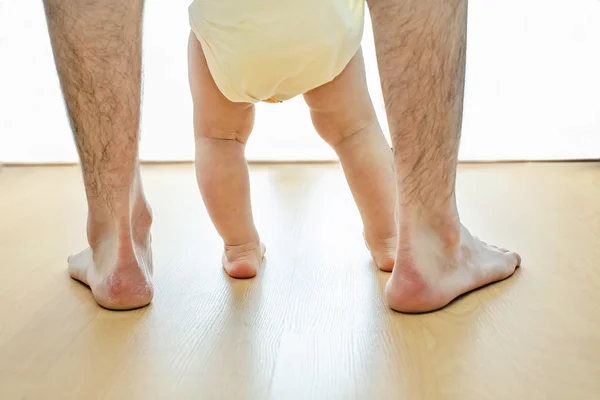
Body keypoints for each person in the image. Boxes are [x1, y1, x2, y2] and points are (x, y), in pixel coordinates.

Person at [42, 0, 520, 313]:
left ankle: (222, 246)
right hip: (319, 20)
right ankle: (398, 241)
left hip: (227, 28)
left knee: (219, 140)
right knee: (354, 130)